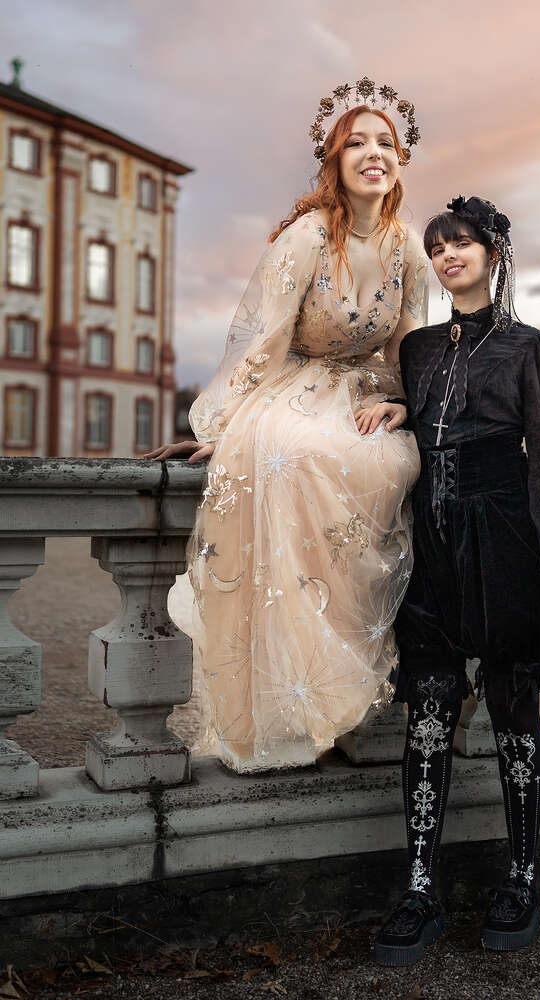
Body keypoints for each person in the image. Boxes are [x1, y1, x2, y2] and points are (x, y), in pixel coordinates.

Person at [145, 80, 429, 772]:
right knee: (296, 454)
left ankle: (348, 672)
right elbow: (263, 340)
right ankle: (287, 703)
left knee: (395, 460)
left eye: (385, 143)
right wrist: (224, 425)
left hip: (368, 390)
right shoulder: (307, 236)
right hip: (293, 385)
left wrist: (406, 406)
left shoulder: (409, 248)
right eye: (356, 143)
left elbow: (411, 349)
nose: (373, 153)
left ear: (399, 161)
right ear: (334, 161)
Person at [364, 196, 540, 965]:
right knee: (429, 713)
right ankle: (420, 889)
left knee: (511, 708)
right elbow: (382, 414)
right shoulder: (419, 349)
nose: (448, 256)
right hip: (431, 551)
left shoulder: (532, 349)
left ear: (493, 255)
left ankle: (521, 879)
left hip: (503, 545)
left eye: (461, 244)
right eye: (437, 248)